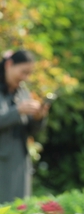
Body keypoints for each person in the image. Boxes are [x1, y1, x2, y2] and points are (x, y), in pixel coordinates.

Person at [0, 49, 50, 204]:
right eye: (23, 72)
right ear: (9, 64)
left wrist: (38, 118)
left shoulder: (22, 92)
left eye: (28, 74)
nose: (25, 78)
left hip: (19, 161)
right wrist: (18, 111)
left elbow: (32, 131)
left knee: (17, 209)